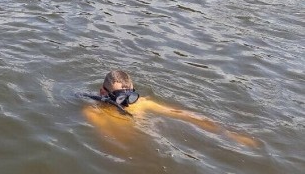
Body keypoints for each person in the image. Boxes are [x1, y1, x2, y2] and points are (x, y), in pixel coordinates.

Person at [82, 70, 255, 146]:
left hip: (153, 138)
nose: (126, 103)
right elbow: (112, 141)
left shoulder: (142, 103)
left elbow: (182, 114)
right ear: (102, 92)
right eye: (120, 98)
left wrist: (229, 134)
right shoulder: (92, 113)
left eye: (130, 98)